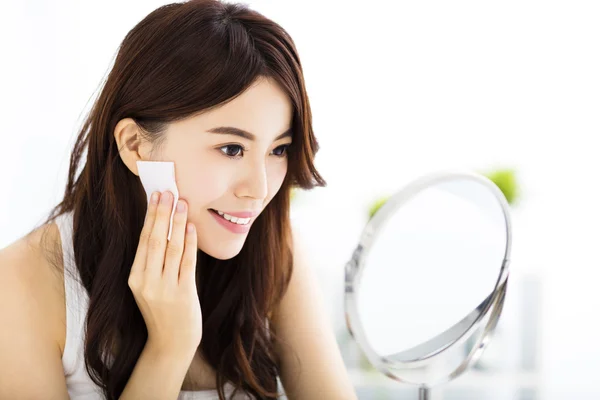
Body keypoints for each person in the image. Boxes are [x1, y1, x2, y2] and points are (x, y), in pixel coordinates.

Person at [0, 1, 358, 399]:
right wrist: (169, 347)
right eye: (232, 149)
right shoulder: (20, 284)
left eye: (278, 150)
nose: (259, 190)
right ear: (135, 145)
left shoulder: (274, 246)